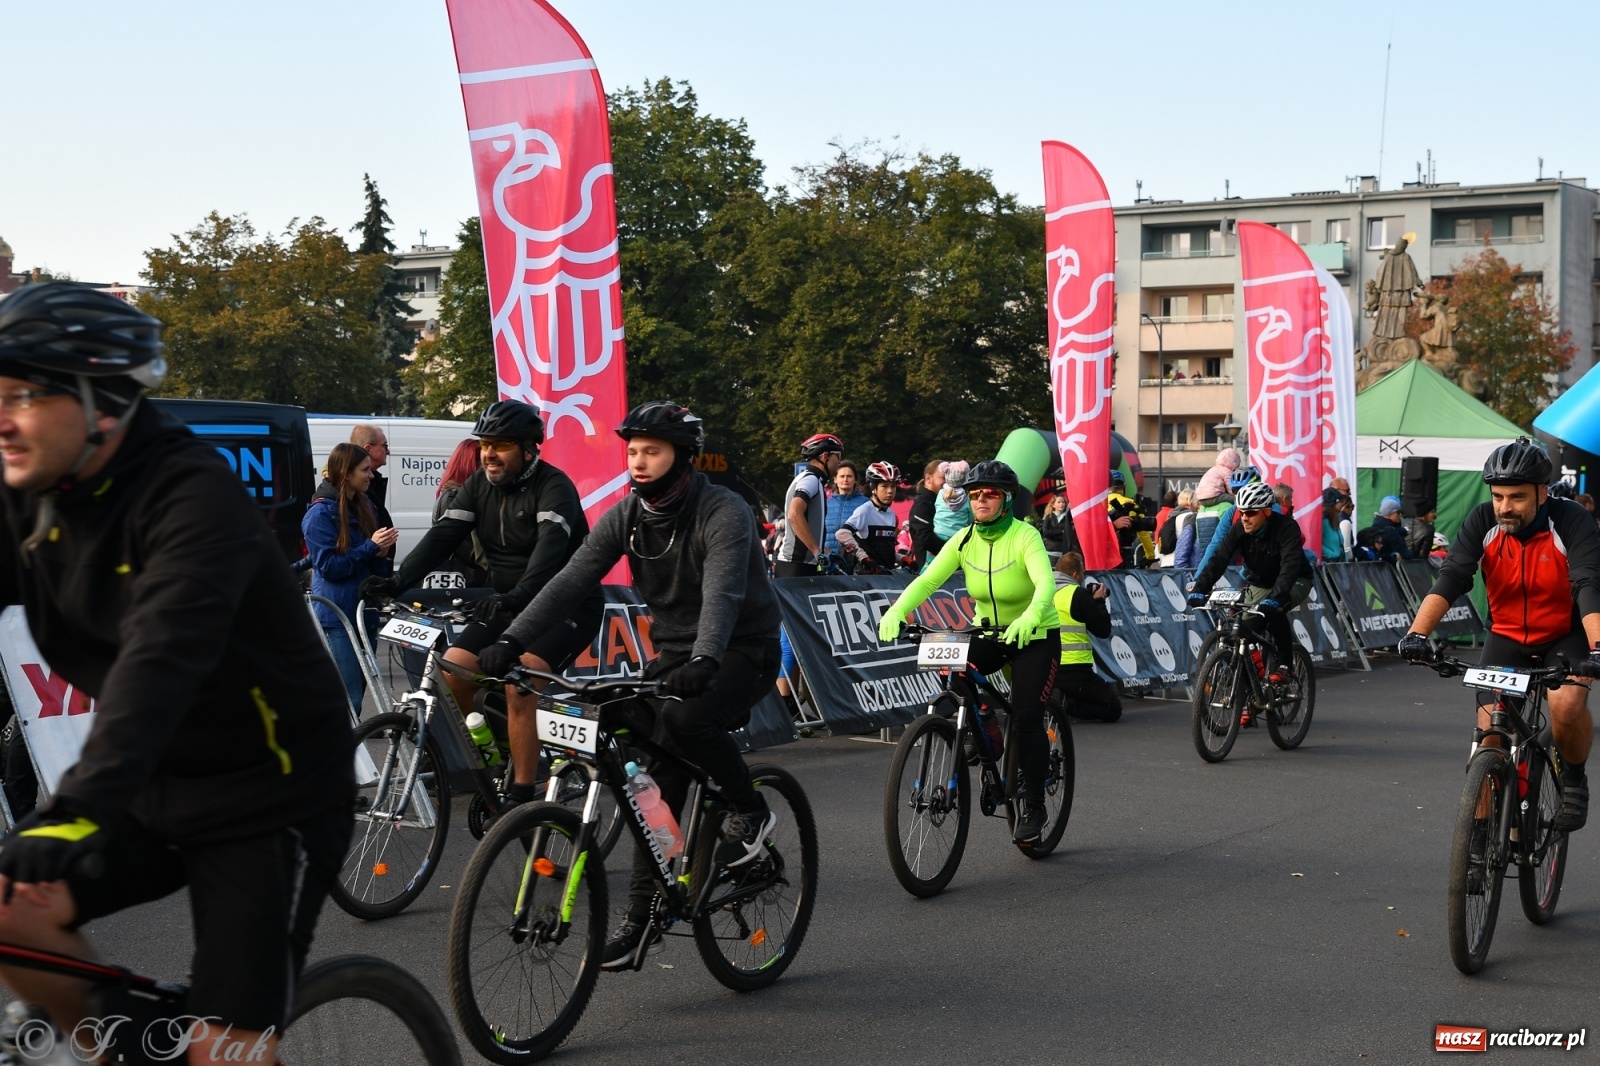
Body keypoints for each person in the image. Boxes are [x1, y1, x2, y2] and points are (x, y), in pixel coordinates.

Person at [0, 283, 354, 1061]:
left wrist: (77, 806)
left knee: (220, 1050)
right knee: (8, 909)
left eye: (23, 394)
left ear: (103, 402)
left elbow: (159, 663)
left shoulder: (194, 500)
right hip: (154, 787)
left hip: (271, 797)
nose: (0, 418)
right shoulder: (31, 495)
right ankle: (114, 1047)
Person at [473, 401, 782, 968]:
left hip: (743, 649)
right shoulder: (628, 515)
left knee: (689, 721)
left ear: (681, 456)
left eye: (652, 451)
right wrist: (513, 642)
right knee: (646, 773)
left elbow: (724, 594)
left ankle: (749, 808)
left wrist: (708, 657)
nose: (638, 462)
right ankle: (645, 915)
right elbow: (570, 581)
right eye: (633, 451)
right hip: (676, 654)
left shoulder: (724, 511)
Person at [361, 400, 601, 809]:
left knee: (519, 685)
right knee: (454, 670)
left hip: (566, 607)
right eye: (485, 443)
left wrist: (512, 600)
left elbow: (548, 561)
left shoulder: (554, 487)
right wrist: (397, 582)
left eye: (502, 444)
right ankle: (503, 753)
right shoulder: (478, 485)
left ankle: (522, 799)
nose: (489, 453)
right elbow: (443, 537)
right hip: (510, 602)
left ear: (528, 449)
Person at [1399, 437, 1600, 833]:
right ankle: (1476, 840)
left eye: (1518, 497)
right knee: (1490, 733)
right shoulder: (1482, 521)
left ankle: (1574, 779)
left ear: (1543, 493)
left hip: (1564, 634)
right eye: (1498, 496)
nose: (1505, 507)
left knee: (1566, 707)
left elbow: (1587, 585)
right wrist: (1417, 634)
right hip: (1507, 637)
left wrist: (1597, 646)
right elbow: (1453, 576)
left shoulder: (1572, 521)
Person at [877, 460, 1061, 844]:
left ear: (1007, 500)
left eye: (990, 493)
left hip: (1034, 635)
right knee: (953, 664)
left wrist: (1031, 616)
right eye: (976, 493)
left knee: (1026, 719)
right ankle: (982, 725)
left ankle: (1035, 803)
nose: (981, 500)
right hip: (991, 632)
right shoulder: (964, 540)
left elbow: (1045, 584)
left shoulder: (1025, 536)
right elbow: (927, 580)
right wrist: (898, 609)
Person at [1186, 481, 1313, 687]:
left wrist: (1276, 598)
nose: (1245, 517)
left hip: (1296, 579)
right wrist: (1199, 587)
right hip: (1260, 582)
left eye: (1251, 512)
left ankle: (1285, 665)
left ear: (1266, 512)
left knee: (1274, 611)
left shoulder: (1287, 528)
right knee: (1243, 633)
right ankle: (1249, 699)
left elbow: (1289, 567)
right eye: (1242, 512)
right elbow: (1219, 558)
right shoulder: (1240, 528)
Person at [303, 442, 397, 711]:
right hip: (337, 616)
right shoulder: (319, 515)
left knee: (359, 693)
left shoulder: (365, 505)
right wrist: (370, 547)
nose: (371, 475)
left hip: (363, 611)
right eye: (365, 470)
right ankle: (341, 750)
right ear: (346, 473)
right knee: (350, 698)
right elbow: (329, 568)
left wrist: (381, 555)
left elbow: (372, 568)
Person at [1051, 552, 1121, 722]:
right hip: (1075, 668)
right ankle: (1069, 705)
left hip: (1048, 666)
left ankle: (1060, 697)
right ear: (1075, 575)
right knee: (1113, 708)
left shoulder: (1043, 591)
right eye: (1082, 573)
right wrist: (1098, 601)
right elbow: (1102, 630)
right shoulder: (1077, 594)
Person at [773, 433, 844, 577]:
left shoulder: (812, 479)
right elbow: (794, 514)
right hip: (795, 566)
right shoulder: (811, 479)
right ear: (825, 456)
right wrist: (817, 553)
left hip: (800, 565)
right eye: (838, 455)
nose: (840, 461)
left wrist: (824, 551)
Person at [433, 438, 487, 587]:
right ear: (471, 464)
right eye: (483, 462)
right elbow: (463, 548)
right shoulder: (453, 498)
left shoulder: (458, 495)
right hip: (466, 579)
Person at [836, 461, 903, 572]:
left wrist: (901, 558)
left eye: (893, 486)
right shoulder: (865, 510)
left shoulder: (891, 514)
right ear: (874, 488)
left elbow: (883, 549)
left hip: (887, 574)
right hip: (866, 576)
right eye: (884, 486)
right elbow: (842, 533)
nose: (890, 491)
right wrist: (864, 558)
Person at [1107, 470, 1155, 569]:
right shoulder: (1131, 505)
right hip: (1125, 555)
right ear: (1124, 487)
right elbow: (1144, 533)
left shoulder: (1099, 504)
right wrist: (1150, 556)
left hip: (1104, 556)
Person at [350, 422, 394, 530]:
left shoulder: (374, 482)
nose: (388, 452)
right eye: (385, 445)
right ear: (368, 449)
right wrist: (373, 545)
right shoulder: (354, 489)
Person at [822, 459, 864, 562]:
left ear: (855, 480)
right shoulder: (825, 504)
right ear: (835, 479)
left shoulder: (866, 504)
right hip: (828, 561)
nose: (845, 479)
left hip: (856, 562)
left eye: (849, 476)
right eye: (842, 476)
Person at [907, 459, 946, 568]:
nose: (947, 483)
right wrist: (956, 551)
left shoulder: (942, 503)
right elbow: (926, 539)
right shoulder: (922, 505)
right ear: (929, 479)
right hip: (928, 571)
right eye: (943, 478)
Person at [1358, 496, 1414, 560]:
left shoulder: (1375, 528)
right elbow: (1402, 553)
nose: (1400, 515)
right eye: (1398, 512)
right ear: (1389, 514)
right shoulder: (1390, 531)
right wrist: (1412, 555)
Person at [932, 460, 973, 546]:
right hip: (958, 535)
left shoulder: (940, 493)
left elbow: (936, 509)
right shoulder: (968, 497)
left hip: (938, 533)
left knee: (934, 559)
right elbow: (970, 518)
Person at [1163, 490, 1197, 569]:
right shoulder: (1190, 516)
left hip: (1166, 560)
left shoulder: (1172, 516)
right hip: (1180, 563)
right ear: (1190, 500)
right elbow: (1186, 540)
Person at [1040, 493, 1078, 557]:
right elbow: (1045, 532)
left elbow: (1069, 534)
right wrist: (1062, 531)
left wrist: (1053, 533)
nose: (1061, 504)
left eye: (1063, 502)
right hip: (1051, 552)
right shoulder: (1049, 517)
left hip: (1064, 552)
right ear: (1053, 505)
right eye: (1059, 502)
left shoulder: (1068, 518)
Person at [1320, 488, 1352, 562]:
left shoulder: (1335, 521)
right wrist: (1333, 555)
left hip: (1339, 567)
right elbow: (1315, 544)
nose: (1342, 503)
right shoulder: (1322, 522)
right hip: (1329, 567)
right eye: (1340, 500)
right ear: (1335, 502)